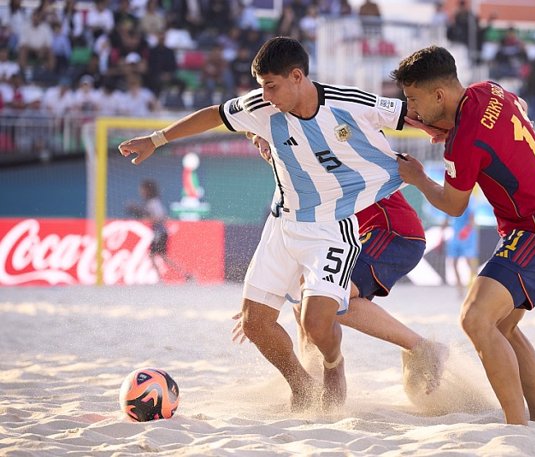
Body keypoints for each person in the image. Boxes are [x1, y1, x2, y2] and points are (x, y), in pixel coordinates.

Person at [118, 37, 409, 412]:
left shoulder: (348, 103)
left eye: (271, 86)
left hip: (331, 227)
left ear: (297, 76)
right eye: (261, 86)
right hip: (282, 224)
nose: (265, 94)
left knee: (318, 323)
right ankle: (301, 385)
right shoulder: (261, 105)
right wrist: (157, 140)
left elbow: (412, 114)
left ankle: (334, 364)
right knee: (255, 325)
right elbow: (214, 114)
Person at [390, 45, 535, 425]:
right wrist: (442, 128)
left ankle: (517, 429)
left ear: (439, 95)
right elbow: (519, 107)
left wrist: (418, 178)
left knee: (475, 320)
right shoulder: (489, 89)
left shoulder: (465, 141)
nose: (412, 110)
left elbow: (454, 205)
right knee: (503, 327)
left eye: (414, 99)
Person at [235, 133, 447, 396]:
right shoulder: (292, 168)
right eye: (256, 144)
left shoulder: (312, 146)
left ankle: (421, 348)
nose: (261, 149)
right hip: (366, 235)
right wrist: (260, 306)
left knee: (327, 302)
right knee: (307, 300)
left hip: (393, 235)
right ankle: (312, 377)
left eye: (262, 142)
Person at [126, 179, 194, 283]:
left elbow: (159, 217)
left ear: (148, 190)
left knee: (158, 256)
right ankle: (182, 275)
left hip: (160, 233)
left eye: (142, 189)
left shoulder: (153, 202)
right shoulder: (151, 202)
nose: (141, 192)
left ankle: (179, 275)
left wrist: (143, 214)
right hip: (158, 232)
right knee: (159, 256)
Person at [442, 200, 478, 297]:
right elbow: (445, 220)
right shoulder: (450, 200)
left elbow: (472, 220)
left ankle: (477, 288)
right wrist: (441, 236)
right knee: (453, 263)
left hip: (467, 236)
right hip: (455, 236)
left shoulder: (469, 201)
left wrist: (466, 231)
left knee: (469, 262)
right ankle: (460, 290)